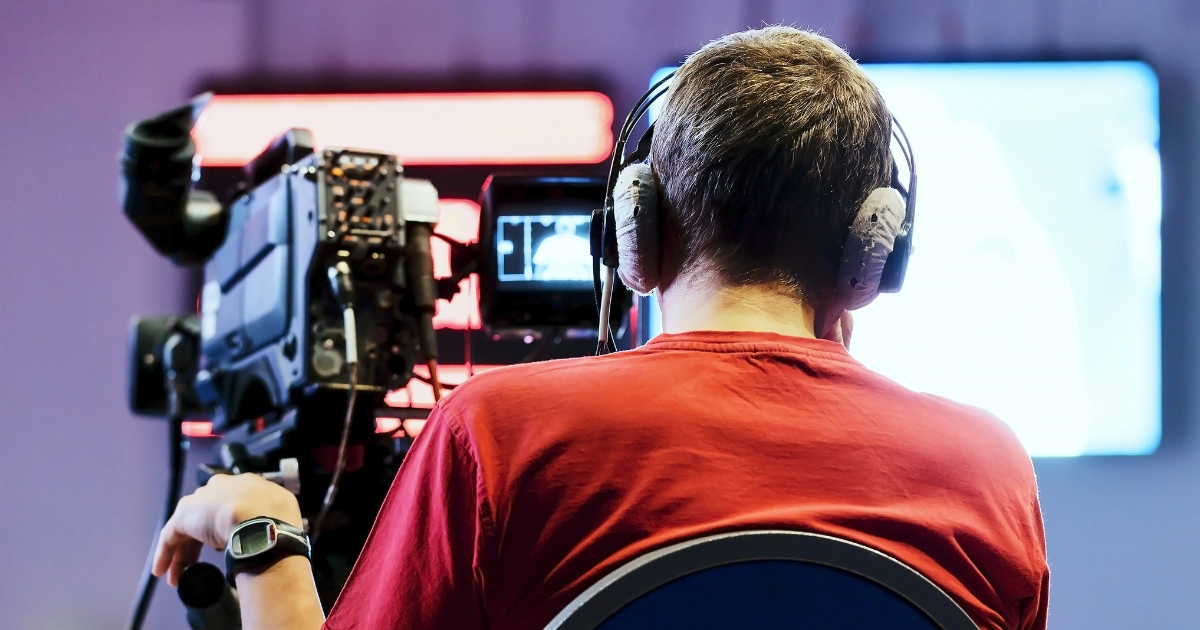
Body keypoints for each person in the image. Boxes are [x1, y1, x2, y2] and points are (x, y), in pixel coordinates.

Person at [153, 26, 1049, 630]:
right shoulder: (987, 471)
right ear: (873, 254)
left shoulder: (500, 437)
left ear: (638, 231)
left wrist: (262, 530)